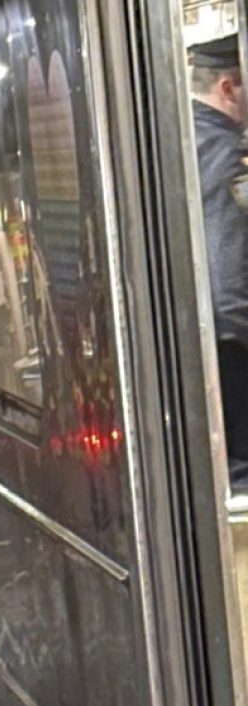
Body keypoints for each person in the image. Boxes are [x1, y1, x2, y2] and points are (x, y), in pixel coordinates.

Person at [189, 34, 248, 488]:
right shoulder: (230, 155)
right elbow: (230, 289)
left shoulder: (177, 137)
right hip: (233, 361)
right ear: (228, 88)